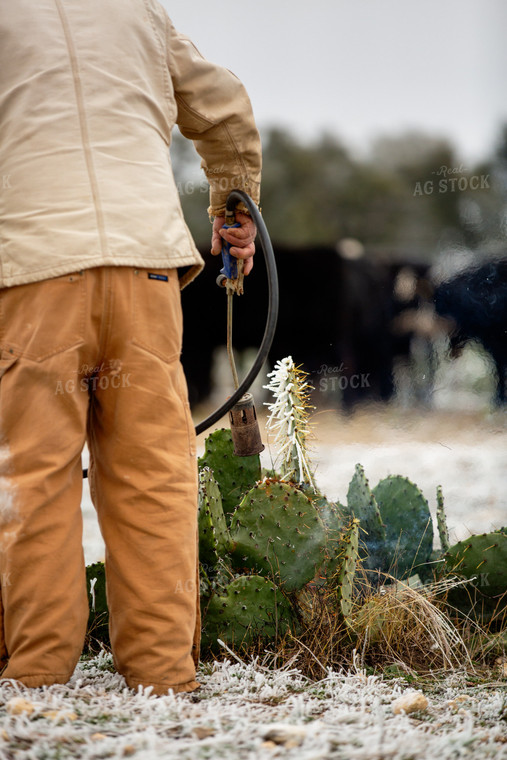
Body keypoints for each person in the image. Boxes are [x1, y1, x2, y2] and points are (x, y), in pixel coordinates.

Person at [0, 0, 261, 696]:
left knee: (34, 478)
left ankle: (38, 671)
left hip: (33, 270)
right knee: (153, 476)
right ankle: (162, 673)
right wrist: (233, 211)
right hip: (146, 271)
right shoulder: (138, 12)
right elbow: (225, 108)